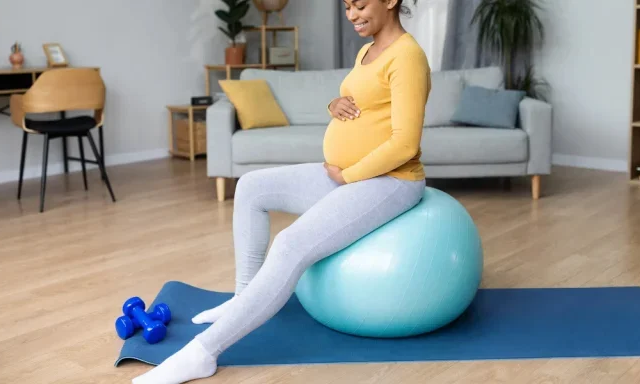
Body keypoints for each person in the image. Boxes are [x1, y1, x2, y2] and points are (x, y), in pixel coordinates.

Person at [132, 0, 429, 382]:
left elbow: (405, 143)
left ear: (390, 1)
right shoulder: (366, 50)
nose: (352, 15)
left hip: (390, 181)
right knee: (251, 187)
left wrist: (349, 175)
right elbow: (364, 102)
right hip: (346, 175)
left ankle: (203, 353)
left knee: (289, 244)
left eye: (359, 5)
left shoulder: (408, 57)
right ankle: (243, 298)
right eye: (347, 7)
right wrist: (334, 103)